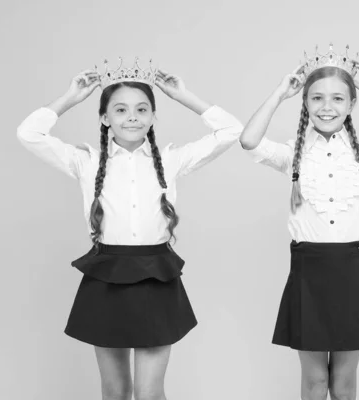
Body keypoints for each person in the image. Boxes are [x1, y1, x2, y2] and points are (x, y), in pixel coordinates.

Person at [17, 57, 243, 400]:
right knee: (116, 391)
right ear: (105, 118)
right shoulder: (87, 161)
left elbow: (231, 131)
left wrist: (184, 96)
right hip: (106, 277)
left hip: (157, 275)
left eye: (141, 109)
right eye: (120, 110)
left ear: (153, 116)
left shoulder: (170, 160)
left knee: (150, 392)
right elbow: (28, 134)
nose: (132, 117)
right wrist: (69, 99)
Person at [239, 45, 359, 400]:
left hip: (350, 272)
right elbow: (249, 141)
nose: (327, 107)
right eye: (317, 98)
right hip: (307, 273)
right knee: (313, 382)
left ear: (352, 104)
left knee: (344, 382)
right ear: (305, 103)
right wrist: (280, 94)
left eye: (338, 98)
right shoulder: (292, 152)